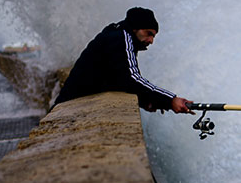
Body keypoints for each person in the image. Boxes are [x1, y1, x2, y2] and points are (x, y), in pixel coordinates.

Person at [55, 7, 193, 114]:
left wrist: (147, 101)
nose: (151, 41)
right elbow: (132, 79)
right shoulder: (122, 38)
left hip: (67, 103)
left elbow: (117, 79)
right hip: (70, 105)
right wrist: (171, 100)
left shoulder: (117, 34)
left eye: (153, 37)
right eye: (149, 34)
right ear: (135, 28)